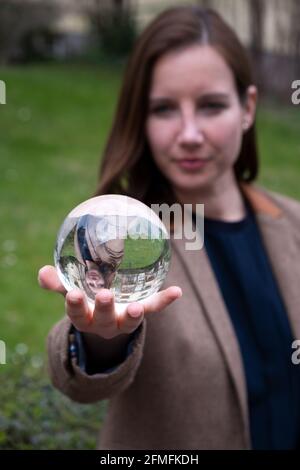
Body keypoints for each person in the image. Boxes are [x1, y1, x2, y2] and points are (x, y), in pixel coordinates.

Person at [38, 5, 300, 450]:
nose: (190, 133)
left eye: (211, 105)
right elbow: (81, 383)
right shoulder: (120, 235)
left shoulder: (292, 222)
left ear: (247, 108)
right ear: (141, 119)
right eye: (164, 109)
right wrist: (101, 340)